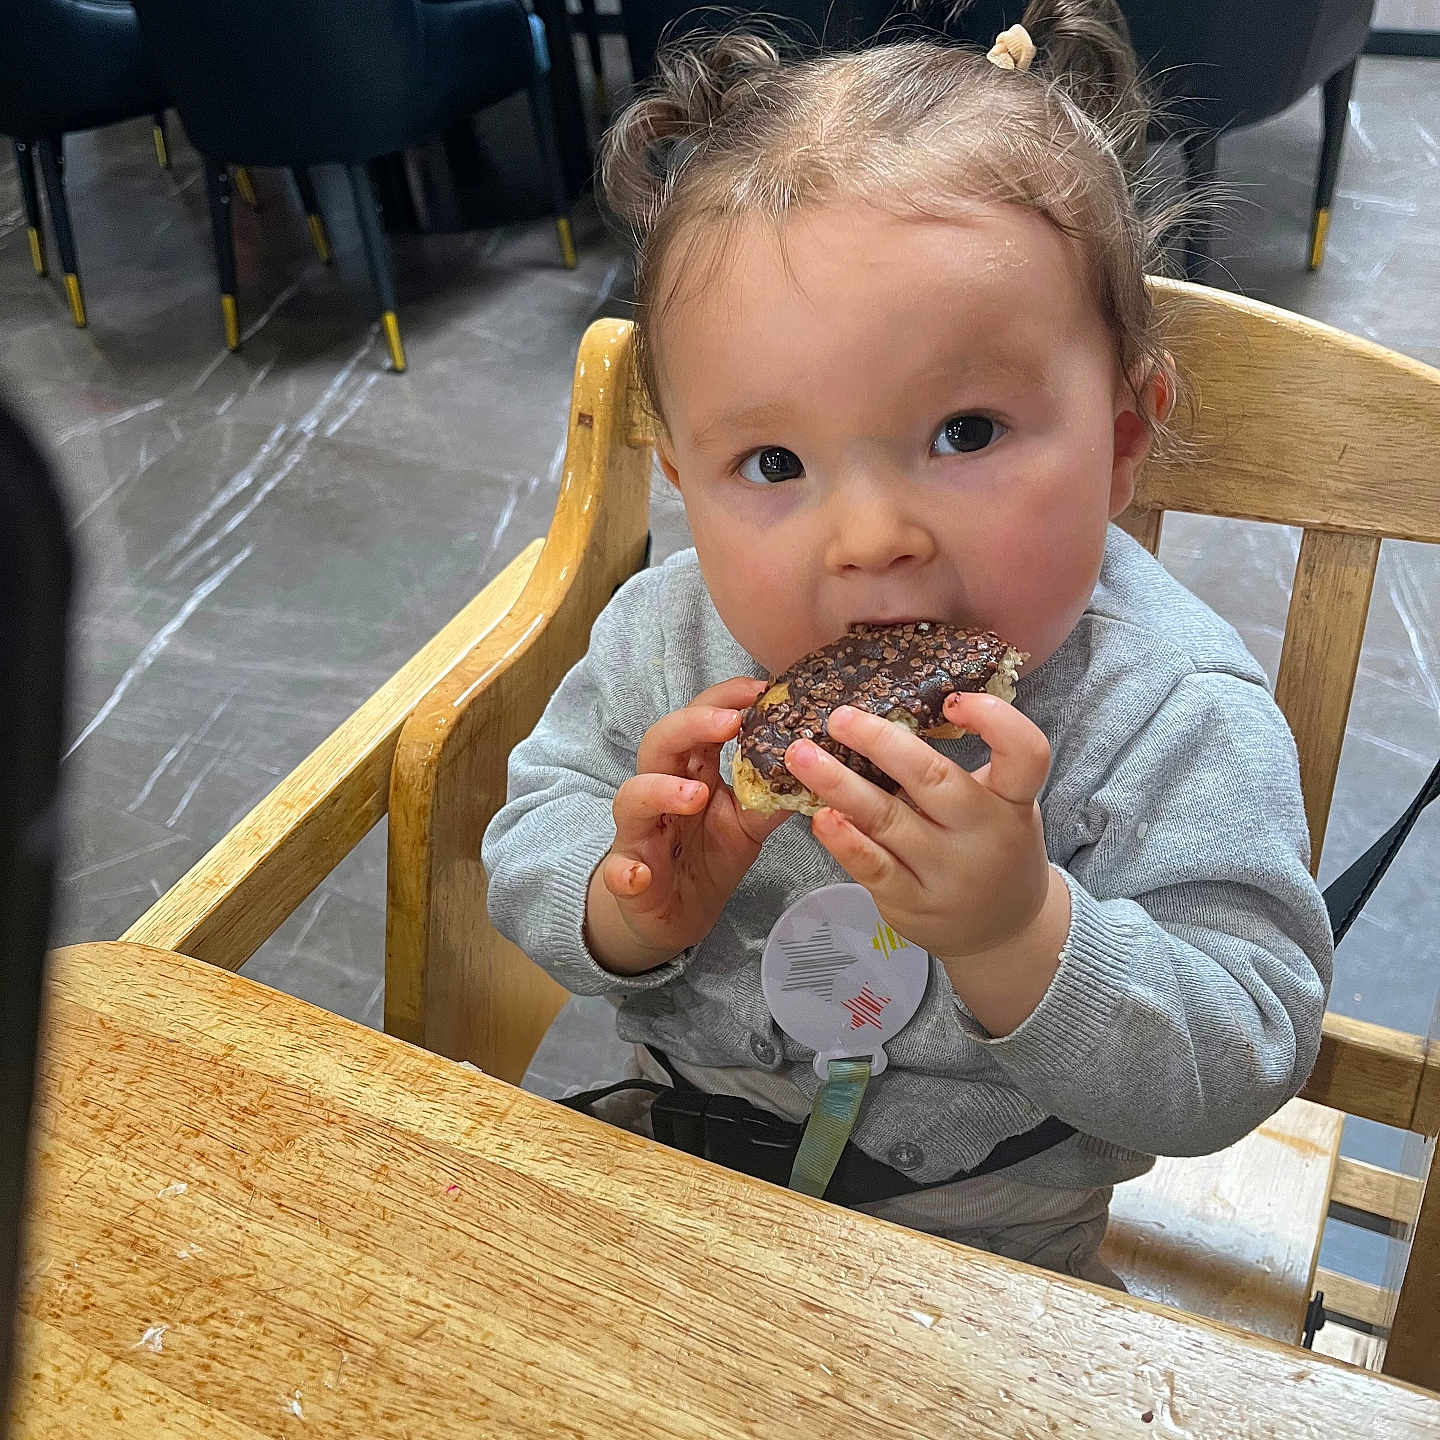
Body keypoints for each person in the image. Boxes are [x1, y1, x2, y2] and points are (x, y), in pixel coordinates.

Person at [482, 0, 1333, 1286]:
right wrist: (626, 901)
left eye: (966, 433)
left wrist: (1022, 935)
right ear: (682, 477)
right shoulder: (668, 637)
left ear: (1120, 438)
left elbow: (1245, 1053)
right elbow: (528, 831)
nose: (872, 539)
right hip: (673, 1197)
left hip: (997, 1268)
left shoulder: (1171, 710)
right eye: (774, 463)